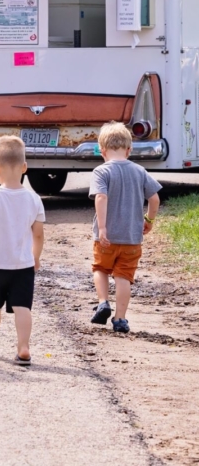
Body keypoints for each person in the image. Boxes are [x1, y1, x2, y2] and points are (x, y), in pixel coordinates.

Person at [0, 136, 45, 365]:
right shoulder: (34, 199)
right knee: (22, 307)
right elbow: (38, 234)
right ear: (25, 167)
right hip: (23, 265)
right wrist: (35, 257)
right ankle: (23, 347)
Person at [89, 122, 162, 333]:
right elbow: (155, 198)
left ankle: (103, 302)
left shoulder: (101, 171)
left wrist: (102, 228)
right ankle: (120, 319)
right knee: (123, 277)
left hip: (106, 238)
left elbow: (101, 197)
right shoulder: (139, 171)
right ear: (129, 150)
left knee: (100, 269)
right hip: (131, 238)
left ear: (102, 150)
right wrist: (149, 220)